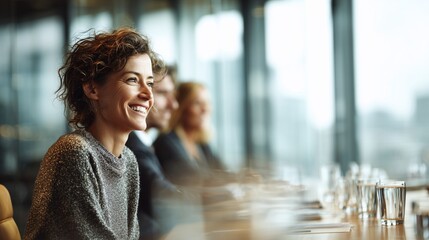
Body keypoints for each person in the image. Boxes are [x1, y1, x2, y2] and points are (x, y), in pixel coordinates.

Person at [24, 27, 165, 240]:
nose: (147, 94)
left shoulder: (129, 161)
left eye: (150, 83)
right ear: (92, 89)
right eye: (132, 80)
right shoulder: (74, 153)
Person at [125, 65, 183, 239]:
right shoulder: (131, 147)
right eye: (163, 93)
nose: (174, 105)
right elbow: (162, 199)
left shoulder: (144, 144)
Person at [153, 81, 230, 187]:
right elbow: (195, 181)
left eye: (207, 103)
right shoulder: (166, 143)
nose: (205, 109)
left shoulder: (201, 143)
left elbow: (223, 171)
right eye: (197, 103)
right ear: (182, 108)